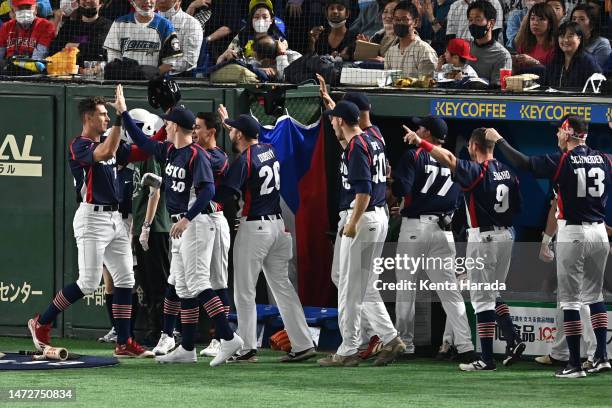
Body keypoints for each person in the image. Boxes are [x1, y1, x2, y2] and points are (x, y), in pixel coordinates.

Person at [28, 88, 154, 358]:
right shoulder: (80, 145)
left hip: (116, 218)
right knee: (88, 282)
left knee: (125, 280)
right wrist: (122, 115)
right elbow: (106, 149)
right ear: (88, 118)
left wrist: (167, 133)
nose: (106, 119)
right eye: (102, 115)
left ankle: (123, 342)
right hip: (92, 218)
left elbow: (140, 153)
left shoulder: (111, 142)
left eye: (108, 115)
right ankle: (41, 321)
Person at [121, 99, 243, 366]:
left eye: (168, 122)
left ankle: (228, 337)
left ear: (175, 125)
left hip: (196, 221)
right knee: (184, 287)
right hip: (184, 222)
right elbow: (143, 142)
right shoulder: (169, 150)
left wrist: (187, 218)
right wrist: (123, 113)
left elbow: (209, 190)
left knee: (199, 283)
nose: (165, 125)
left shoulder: (195, 153)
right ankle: (187, 348)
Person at [488, 115, 611, 378]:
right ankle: (600, 356)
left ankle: (575, 364)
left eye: (559, 131)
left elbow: (522, 162)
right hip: (600, 232)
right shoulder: (604, 158)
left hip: (574, 232)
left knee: (569, 301)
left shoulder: (562, 159)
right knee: (595, 296)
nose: (557, 135)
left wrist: (499, 140)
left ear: (568, 133)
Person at [404, 126, 525, 372]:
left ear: (474, 146)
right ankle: (513, 339)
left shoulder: (476, 170)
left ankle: (487, 359)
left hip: (484, 239)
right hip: (506, 236)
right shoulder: (508, 172)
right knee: (492, 294)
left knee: (482, 301)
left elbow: (448, 159)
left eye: (469, 144)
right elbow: (518, 208)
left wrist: (421, 142)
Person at [216, 107, 316, 364]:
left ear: (240, 134)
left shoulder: (244, 159)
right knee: (283, 287)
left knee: (244, 291)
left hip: (255, 227)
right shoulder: (270, 150)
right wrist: (237, 128)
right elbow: (252, 145)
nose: (231, 131)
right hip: (278, 227)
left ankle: (247, 348)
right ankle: (303, 343)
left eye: (234, 129)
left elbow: (226, 192)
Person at [317, 101, 405, 367]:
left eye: (333, 119)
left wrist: (352, 223)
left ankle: (349, 349)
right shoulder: (371, 138)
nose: (331, 123)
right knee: (361, 285)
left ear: (342, 121)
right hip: (378, 217)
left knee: (349, 288)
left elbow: (363, 191)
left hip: (363, 217)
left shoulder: (357, 146)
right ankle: (390, 338)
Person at [392, 117, 475, 363]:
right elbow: (457, 200)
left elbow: (402, 190)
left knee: (406, 288)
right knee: (450, 292)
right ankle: (465, 346)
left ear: (426, 133)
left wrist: (392, 183)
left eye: (420, 127)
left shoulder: (413, 155)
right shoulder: (453, 159)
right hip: (443, 230)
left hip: (415, 228)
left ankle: (405, 345)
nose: (417, 129)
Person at [191, 111, 232, 358]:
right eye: (192, 127)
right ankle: (178, 338)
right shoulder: (194, 153)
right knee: (185, 282)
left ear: (211, 131)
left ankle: (221, 338)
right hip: (195, 223)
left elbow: (197, 159)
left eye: (198, 127)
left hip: (214, 220)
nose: (194, 132)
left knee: (217, 281)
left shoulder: (217, 157)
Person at [103, 0, 182, 74]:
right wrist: (131, 74)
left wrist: (149, 74)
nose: (147, 1)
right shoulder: (119, 23)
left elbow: (171, 63)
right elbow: (113, 59)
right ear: (131, 1)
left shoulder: (165, 25)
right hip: (125, 82)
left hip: (154, 84)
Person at [49, 0, 112, 74]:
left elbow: (99, 48)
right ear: (78, 2)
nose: (87, 1)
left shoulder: (107, 25)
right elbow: (54, 49)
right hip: (67, 73)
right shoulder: (69, 26)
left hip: (94, 73)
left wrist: (73, 46)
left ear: (101, 2)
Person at [217, 0, 286, 64]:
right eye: (256, 17)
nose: (260, 21)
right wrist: (225, 55)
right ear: (251, 20)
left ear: (271, 20)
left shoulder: (280, 40)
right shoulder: (242, 37)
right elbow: (220, 61)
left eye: (265, 17)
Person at [384, 1, 438, 78]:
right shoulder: (390, 53)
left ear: (415, 22)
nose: (400, 23)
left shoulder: (425, 51)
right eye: (396, 19)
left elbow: (427, 85)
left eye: (404, 19)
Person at [466, 0, 512, 87]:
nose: (473, 23)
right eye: (470, 20)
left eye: (478, 19)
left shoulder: (502, 55)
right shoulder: (465, 48)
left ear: (491, 23)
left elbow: (498, 90)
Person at [543, 21, 602, 90]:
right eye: (562, 36)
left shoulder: (588, 61)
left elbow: (597, 88)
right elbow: (546, 86)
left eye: (570, 36)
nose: (565, 40)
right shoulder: (555, 60)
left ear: (579, 38)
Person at [0, 0, 55, 66]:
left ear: (36, 9)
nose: (24, 11)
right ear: (13, 10)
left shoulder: (46, 26)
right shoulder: (6, 26)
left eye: (28, 7)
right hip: (8, 70)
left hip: (32, 72)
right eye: (20, 8)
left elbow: (38, 58)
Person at [155, 0, 203, 74]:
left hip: (180, 76)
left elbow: (189, 60)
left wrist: (161, 69)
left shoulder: (192, 24)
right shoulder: (146, 20)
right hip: (146, 74)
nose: (161, 1)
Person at [513, 3, 558, 70]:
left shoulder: (556, 46)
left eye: (541, 19)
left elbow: (553, 74)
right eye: (532, 18)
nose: (535, 23)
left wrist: (535, 63)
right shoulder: (524, 44)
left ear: (550, 23)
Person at [570, 4, 611, 68]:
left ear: (592, 25)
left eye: (582, 19)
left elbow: (593, 70)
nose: (576, 22)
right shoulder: (566, 41)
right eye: (574, 19)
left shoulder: (602, 43)